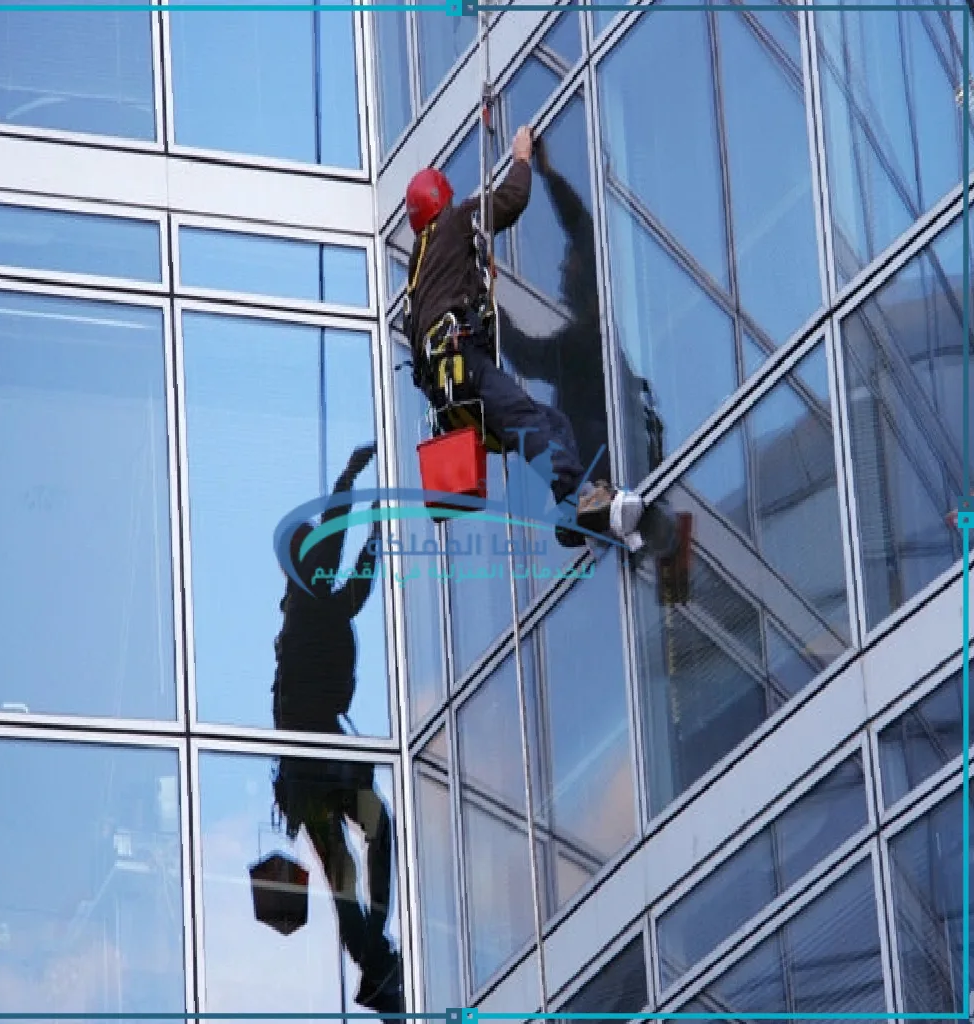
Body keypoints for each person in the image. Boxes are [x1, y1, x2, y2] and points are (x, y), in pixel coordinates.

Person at [403, 124, 646, 552]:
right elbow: (511, 200)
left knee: (552, 423)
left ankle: (572, 514)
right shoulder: (456, 224)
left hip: (449, 389)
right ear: (443, 202)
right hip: (465, 363)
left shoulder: (416, 278)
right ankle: (583, 499)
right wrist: (521, 159)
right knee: (531, 423)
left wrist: (487, 309)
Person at [494, 137, 687, 573]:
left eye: (570, 261)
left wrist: (487, 301)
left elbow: (524, 356)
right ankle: (604, 515)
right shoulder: (596, 342)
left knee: (550, 452)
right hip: (606, 458)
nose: (563, 267)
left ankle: (601, 511)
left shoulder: (584, 343)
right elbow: (581, 229)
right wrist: (549, 175)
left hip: (601, 457)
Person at [270, 443, 402, 1019]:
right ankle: (373, 953)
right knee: (356, 851)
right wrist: (349, 477)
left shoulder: (317, 603)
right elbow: (334, 537)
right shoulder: (306, 600)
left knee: (362, 847)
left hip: (315, 755)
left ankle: (373, 951)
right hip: (313, 758)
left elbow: (354, 590)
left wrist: (373, 544)